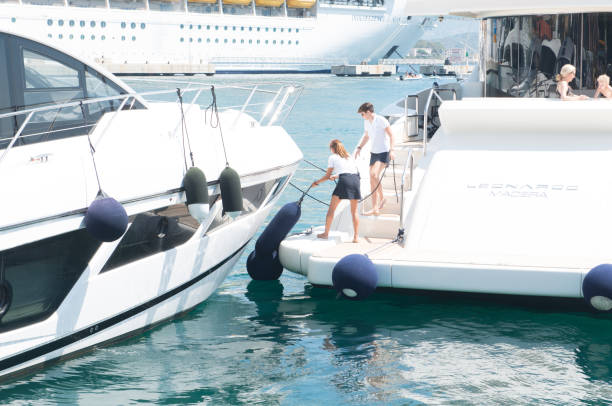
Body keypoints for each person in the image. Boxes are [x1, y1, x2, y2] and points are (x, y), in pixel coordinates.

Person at [311, 139, 361, 243]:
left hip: (344, 181)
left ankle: (325, 234)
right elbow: (350, 172)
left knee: (331, 209)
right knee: (354, 211)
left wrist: (316, 183)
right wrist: (337, 176)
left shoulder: (332, 157)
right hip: (356, 180)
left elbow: (327, 176)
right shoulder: (349, 156)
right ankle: (356, 237)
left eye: (330, 148)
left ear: (333, 148)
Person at [354, 102, 394, 216]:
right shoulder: (366, 122)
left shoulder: (381, 120)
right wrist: (359, 147)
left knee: (374, 175)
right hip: (374, 153)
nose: (362, 116)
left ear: (368, 112)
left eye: (362, 114)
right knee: (372, 180)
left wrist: (392, 150)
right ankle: (375, 208)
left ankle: (382, 198)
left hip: (383, 152)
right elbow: (367, 136)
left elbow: (391, 135)